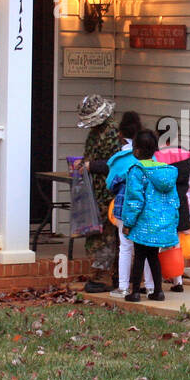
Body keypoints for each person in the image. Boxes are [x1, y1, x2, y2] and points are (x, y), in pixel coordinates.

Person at [119, 130, 179, 302]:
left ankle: (135, 292)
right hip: (160, 224)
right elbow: (173, 200)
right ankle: (158, 291)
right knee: (153, 256)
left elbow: (134, 200)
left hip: (142, 223)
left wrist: (128, 222)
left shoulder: (137, 171)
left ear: (136, 151)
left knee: (139, 257)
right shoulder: (166, 171)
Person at [74, 94, 121, 293]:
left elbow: (116, 164)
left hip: (109, 193)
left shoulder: (112, 133)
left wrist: (90, 165)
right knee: (98, 233)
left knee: (107, 236)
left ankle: (106, 276)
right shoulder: (96, 132)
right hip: (96, 191)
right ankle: (104, 272)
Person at [106, 111, 150, 298]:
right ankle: (151, 286)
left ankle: (123, 286)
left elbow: (110, 184)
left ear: (121, 134)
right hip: (147, 208)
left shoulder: (119, 159)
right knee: (148, 247)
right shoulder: (152, 158)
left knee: (125, 246)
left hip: (124, 209)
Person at [155, 144, 190, 293]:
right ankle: (177, 280)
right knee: (176, 243)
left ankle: (156, 280)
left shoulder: (156, 156)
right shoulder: (186, 158)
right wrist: (189, 212)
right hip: (181, 205)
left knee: (156, 243)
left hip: (162, 205)